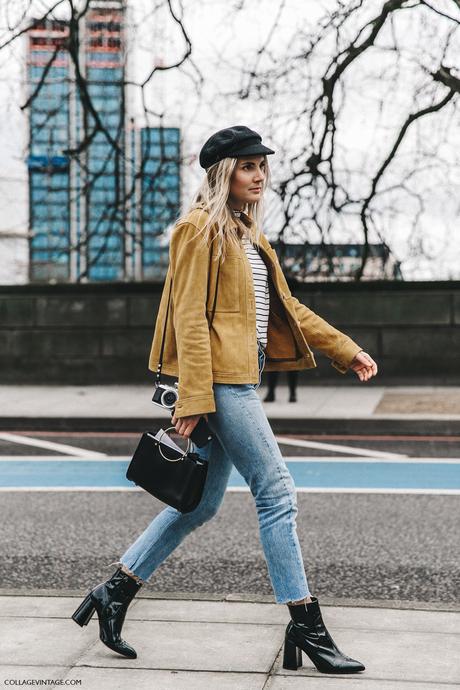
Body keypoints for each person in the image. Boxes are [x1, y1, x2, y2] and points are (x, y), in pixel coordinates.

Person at [72, 125, 378, 673]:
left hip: (237, 378)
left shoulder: (248, 236)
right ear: (222, 173)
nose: (258, 175)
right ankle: (305, 623)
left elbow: (289, 309)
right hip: (219, 383)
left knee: (200, 504)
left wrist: (345, 349)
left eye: (262, 165)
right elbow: (190, 318)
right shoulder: (198, 230)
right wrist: (190, 397)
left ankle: (113, 592)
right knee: (277, 491)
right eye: (246, 166)